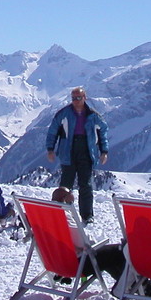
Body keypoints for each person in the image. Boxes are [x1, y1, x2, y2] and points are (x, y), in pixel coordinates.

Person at [45, 86, 109, 224]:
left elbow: (102, 133)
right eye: (73, 98)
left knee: (85, 184)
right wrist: (50, 149)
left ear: (85, 97)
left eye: (78, 97)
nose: (76, 100)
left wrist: (104, 151)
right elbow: (53, 131)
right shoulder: (63, 114)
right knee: (65, 185)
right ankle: (60, 212)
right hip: (68, 151)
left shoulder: (93, 116)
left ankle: (87, 215)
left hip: (86, 151)